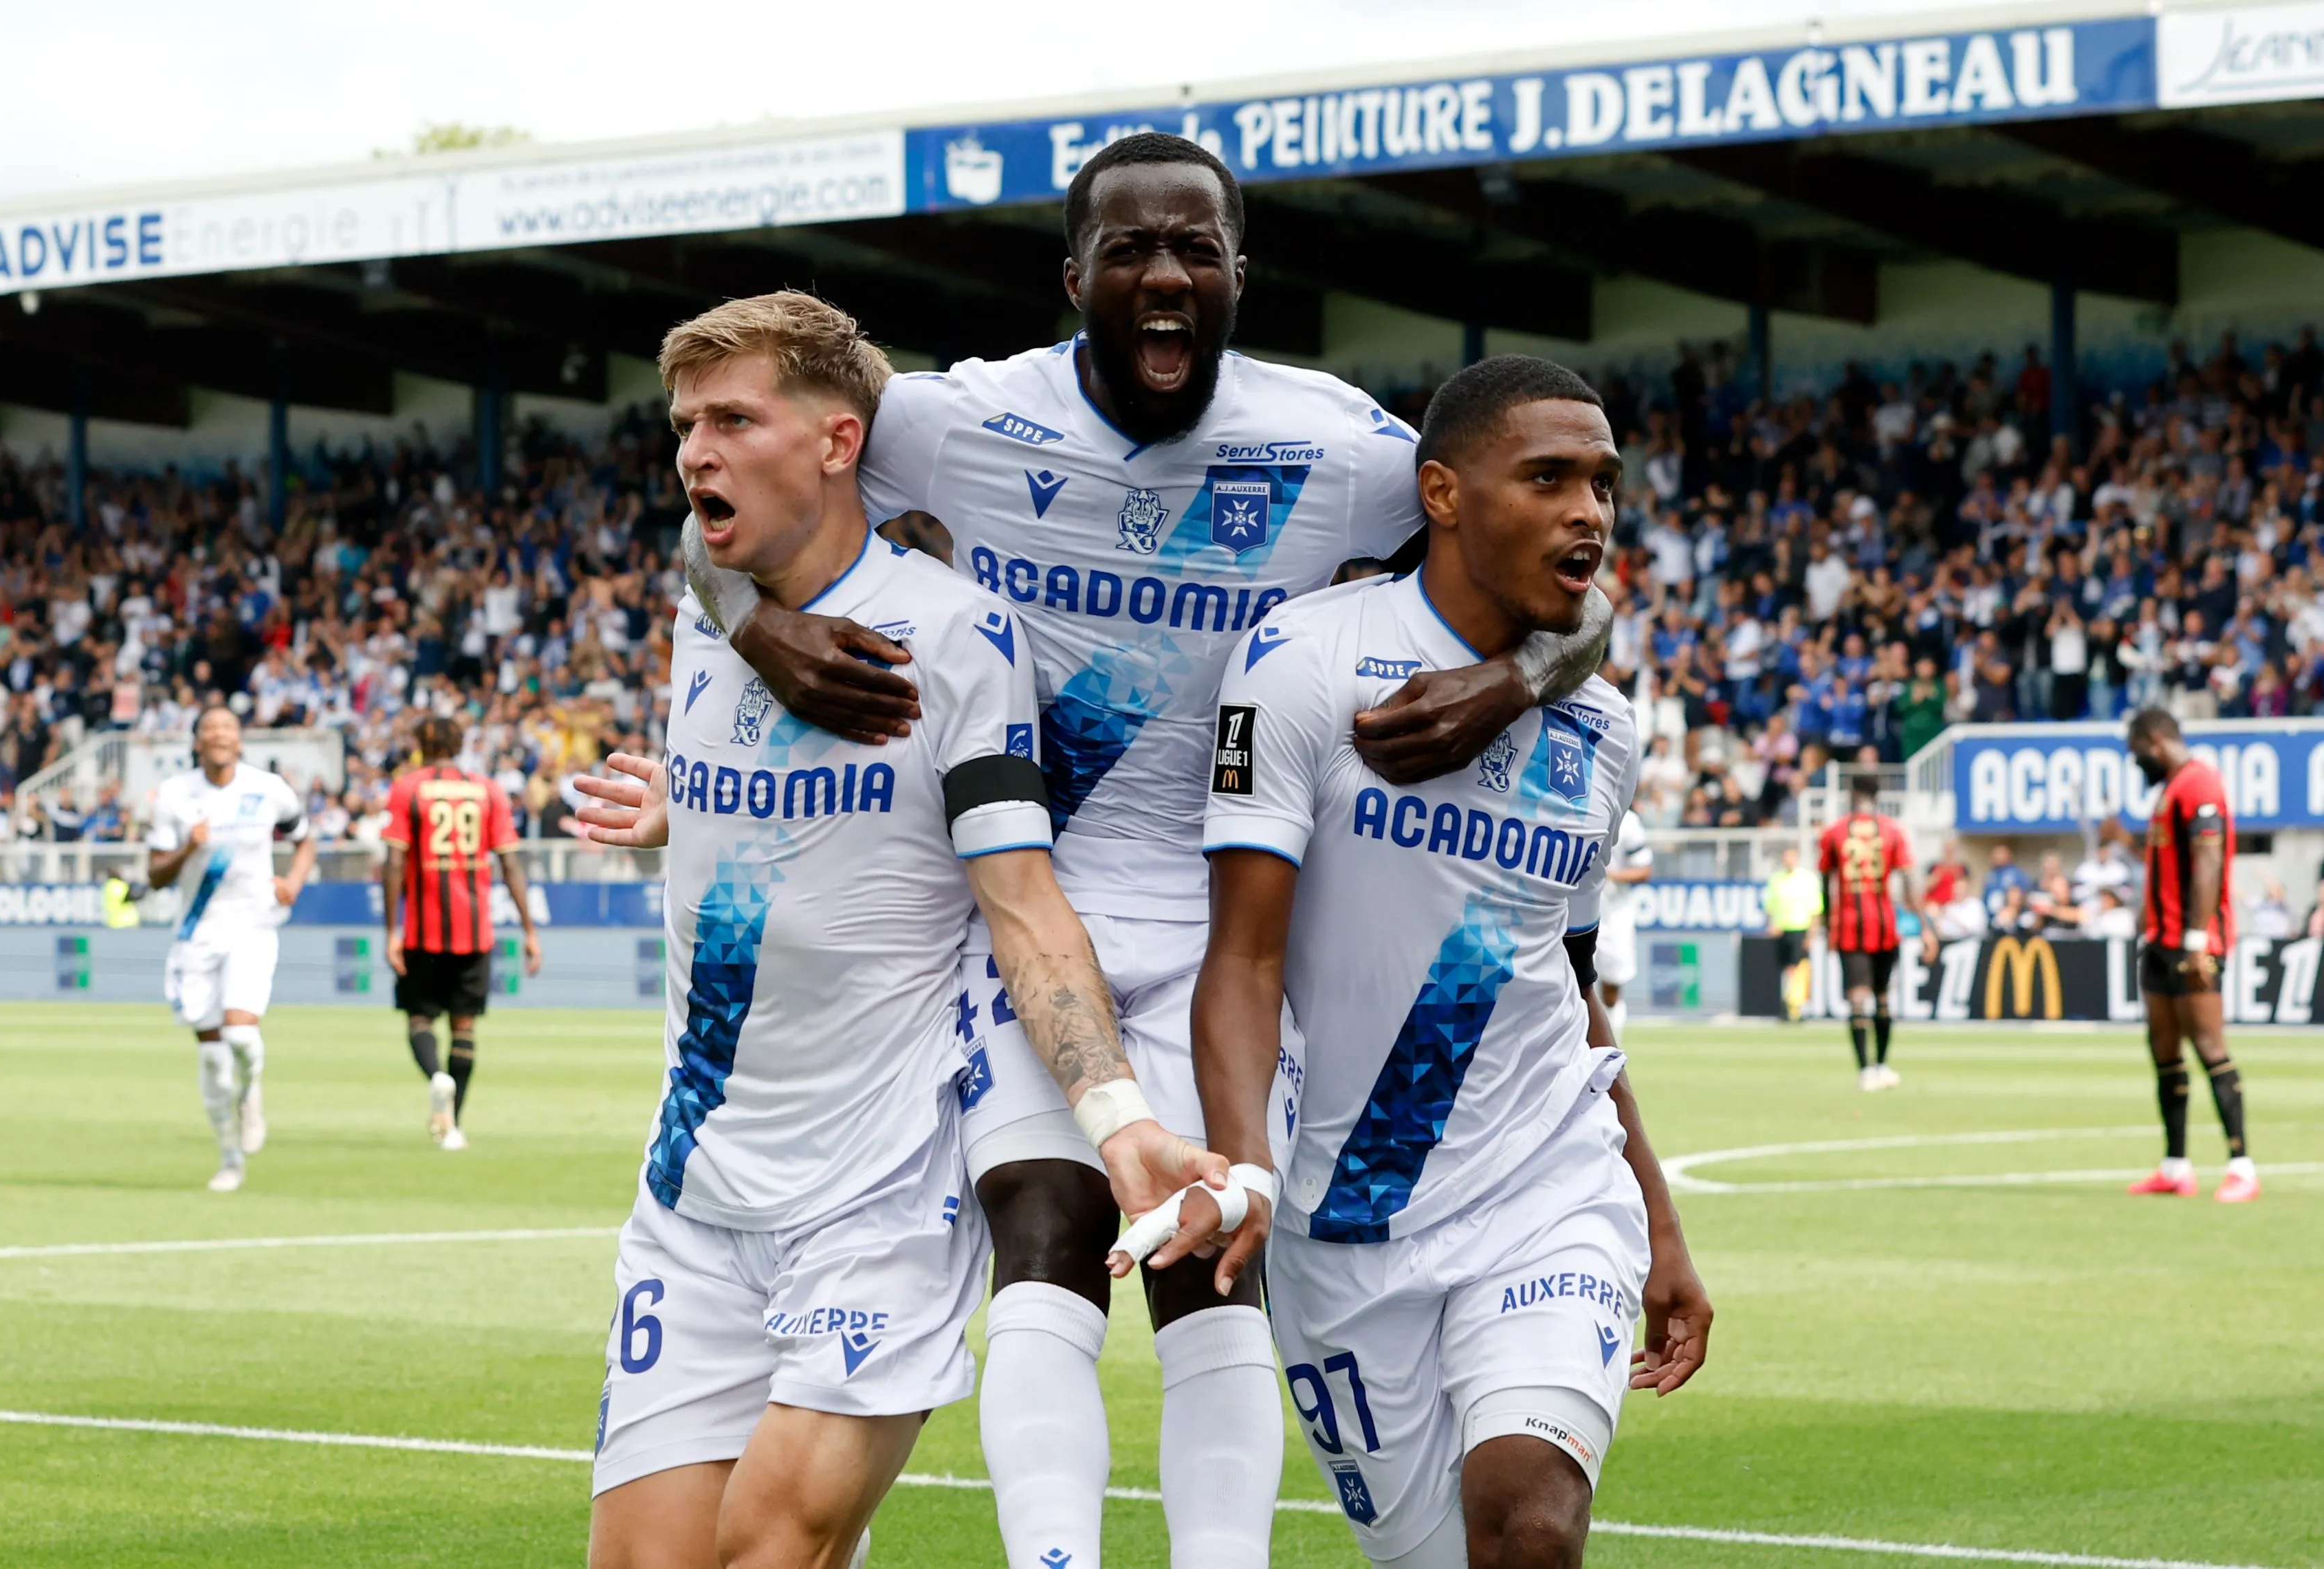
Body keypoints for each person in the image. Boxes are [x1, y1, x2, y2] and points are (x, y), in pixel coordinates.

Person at [683, 133, 1609, 1569]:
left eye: (1196, 250)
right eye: (1130, 251)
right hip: (1029, 902)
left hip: (1237, 929)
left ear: (1241, 276)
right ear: (1075, 279)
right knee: (1043, 1226)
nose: (1164, 275)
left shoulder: (1341, 446)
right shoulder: (951, 419)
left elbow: (1557, 560)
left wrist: (1512, 680)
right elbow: (736, 469)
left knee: (1206, 1255)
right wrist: (753, 619)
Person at [573, 294, 1223, 1569]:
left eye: (731, 419)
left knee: (770, 1546)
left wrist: (1117, 1119)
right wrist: (680, 811)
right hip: (693, 1192)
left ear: (834, 440)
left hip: (871, 1196)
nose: (693, 450)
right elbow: (781, 824)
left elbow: (1023, 904)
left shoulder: (953, 636)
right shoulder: (706, 618)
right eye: (684, 424)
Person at [1176, 356, 1711, 1568]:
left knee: (1528, 1519)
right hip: (1341, 1225)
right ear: (1443, 493)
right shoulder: (1300, 664)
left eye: (1602, 483)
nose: (1588, 509)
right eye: (1547, 477)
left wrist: (1659, 1224)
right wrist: (1244, 1164)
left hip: (1543, 1189)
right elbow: (1243, 957)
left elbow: (1568, 990)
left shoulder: (1601, 727)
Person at [145, 705, 316, 1192]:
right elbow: (155, 875)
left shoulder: (268, 789)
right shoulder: (175, 797)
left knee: (241, 1037)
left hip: (253, 927)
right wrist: (187, 849)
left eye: (227, 727)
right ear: (198, 741)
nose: (219, 734)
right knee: (213, 1060)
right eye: (209, 728)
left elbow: (306, 841)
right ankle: (229, 1158)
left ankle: (253, 1090)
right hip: (196, 936)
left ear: (240, 741)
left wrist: (295, 882)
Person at [382, 713, 543, 1152]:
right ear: (459, 743)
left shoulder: (407, 789)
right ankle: (452, 1126)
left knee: (420, 1019)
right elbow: (510, 863)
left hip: (422, 931)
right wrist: (530, 929)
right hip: (476, 932)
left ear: (420, 744)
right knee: (465, 1026)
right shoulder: (488, 790)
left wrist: (392, 930)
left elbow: (395, 863)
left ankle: (437, 1079)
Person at [2125, 709, 2258, 1202]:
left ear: (2156, 742)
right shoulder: (2171, 789)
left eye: (2136, 752)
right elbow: (2172, 859)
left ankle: (2241, 1166)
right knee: (2162, 1049)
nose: (2136, 762)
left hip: (2191, 940)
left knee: (2208, 1046)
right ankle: (2175, 1166)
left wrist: (2198, 940)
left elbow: (2207, 860)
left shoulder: (2199, 783)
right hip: (2160, 939)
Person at [1817, 775, 1934, 1091]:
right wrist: (1926, 928)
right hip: (1885, 926)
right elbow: (1911, 882)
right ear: (1878, 795)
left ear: (1852, 794)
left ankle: (1866, 1070)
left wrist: (1828, 925)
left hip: (1849, 928)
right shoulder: (1893, 831)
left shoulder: (1834, 832)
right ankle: (1882, 1065)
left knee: (1858, 999)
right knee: (1883, 998)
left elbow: (1825, 883)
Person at [1592, 811, 1653, 1043]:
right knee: (1574, 981)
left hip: (1614, 913)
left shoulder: (1629, 822)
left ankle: (1612, 1047)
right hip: (1577, 908)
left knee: (1612, 983)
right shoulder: (1577, 807)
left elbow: (1644, 869)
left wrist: (1609, 875)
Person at [1763, 844, 1823, 1022]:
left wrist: (1811, 934)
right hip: (1781, 929)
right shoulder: (1776, 879)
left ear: (1797, 858)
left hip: (1800, 928)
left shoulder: (1807, 879)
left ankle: (1795, 1006)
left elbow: (1815, 909)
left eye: (1792, 856)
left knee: (1798, 968)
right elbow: (1770, 905)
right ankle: (1789, 1004)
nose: (1788, 860)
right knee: (1786, 969)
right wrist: (1771, 924)